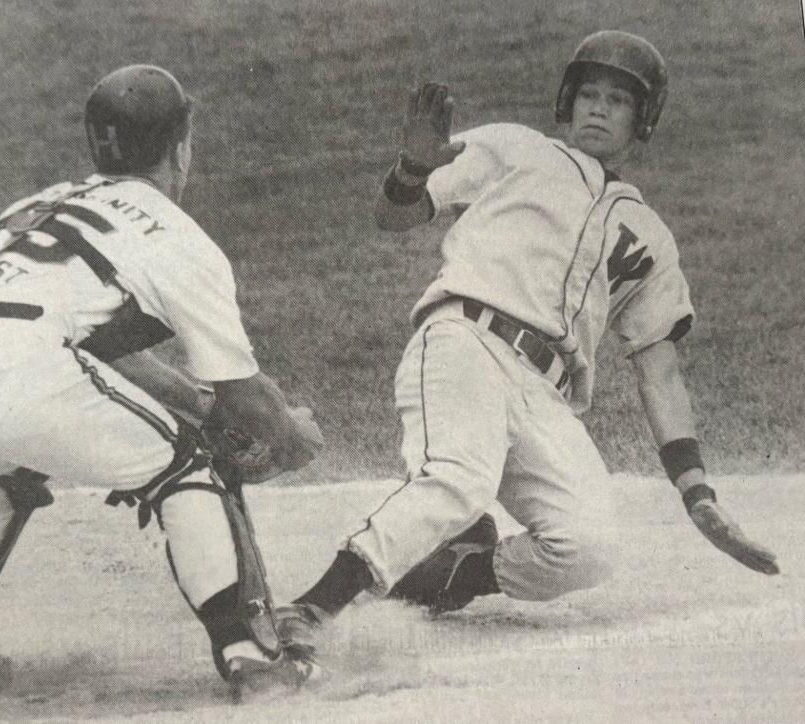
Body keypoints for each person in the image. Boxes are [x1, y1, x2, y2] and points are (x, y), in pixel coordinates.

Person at [279, 31, 778, 641]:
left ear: (643, 119)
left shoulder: (650, 235)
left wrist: (697, 491)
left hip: (546, 395)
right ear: (567, 101)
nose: (599, 107)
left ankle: (450, 573)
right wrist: (411, 169)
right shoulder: (515, 148)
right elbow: (394, 216)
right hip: (466, 341)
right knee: (459, 480)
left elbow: (659, 368)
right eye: (588, 93)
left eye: (619, 100)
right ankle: (311, 608)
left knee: (589, 547)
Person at [0, 64, 323, 702]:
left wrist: (190, 403)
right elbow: (240, 392)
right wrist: (290, 440)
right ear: (180, 144)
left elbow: (91, 345)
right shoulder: (175, 236)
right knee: (187, 467)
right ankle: (254, 659)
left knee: (0, 454)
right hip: (21, 373)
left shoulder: (40, 202)